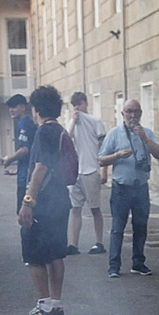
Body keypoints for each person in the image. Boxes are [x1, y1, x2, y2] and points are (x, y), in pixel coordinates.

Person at [16, 85, 73, 315]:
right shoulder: (59, 130)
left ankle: (43, 304)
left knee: (34, 254)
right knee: (54, 253)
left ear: (36, 108)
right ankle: (55, 304)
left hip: (45, 201)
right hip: (60, 199)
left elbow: (41, 167)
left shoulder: (43, 132)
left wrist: (28, 201)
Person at [98, 98, 159, 278]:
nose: (133, 115)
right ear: (123, 114)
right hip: (121, 188)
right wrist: (117, 155)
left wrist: (145, 139)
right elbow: (101, 160)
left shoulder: (147, 133)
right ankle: (114, 266)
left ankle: (138, 263)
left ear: (141, 113)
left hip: (141, 188)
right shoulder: (114, 134)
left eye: (136, 111)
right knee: (117, 228)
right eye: (129, 111)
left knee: (141, 227)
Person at [66, 92, 107, 256]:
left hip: (91, 169)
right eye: (74, 104)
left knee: (95, 208)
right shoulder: (73, 122)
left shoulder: (96, 121)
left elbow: (103, 147)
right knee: (75, 208)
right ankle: (73, 244)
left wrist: (104, 170)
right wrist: (73, 122)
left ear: (85, 103)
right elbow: (67, 141)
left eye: (79, 103)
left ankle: (99, 242)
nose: (77, 107)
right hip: (76, 170)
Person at [2, 94, 36, 211]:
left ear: (23, 107)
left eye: (14, 107)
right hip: (25, 171)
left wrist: (9, 159)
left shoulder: (25, 123)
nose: (11, 110)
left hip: (27, 177)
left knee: (24, 211)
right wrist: (17, 169)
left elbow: (25, 149)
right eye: (10, 107)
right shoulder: (25, 122)